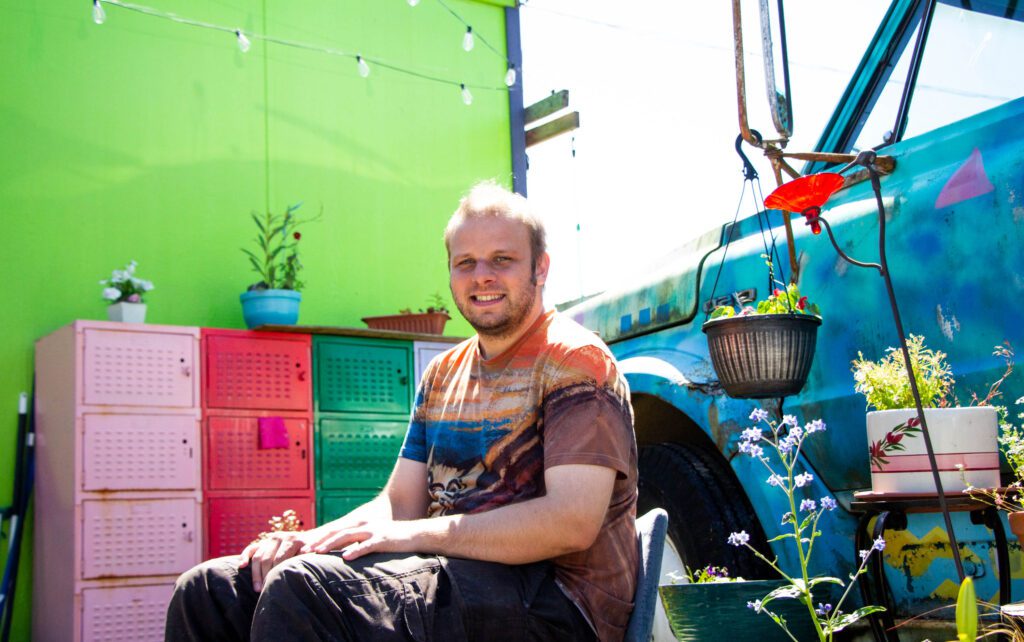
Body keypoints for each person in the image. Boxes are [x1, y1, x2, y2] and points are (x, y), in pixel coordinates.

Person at [165, 181, 638, 642]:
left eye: (503, 260)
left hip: (558, 605)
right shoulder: (443, 373)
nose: (482, 277)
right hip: (452, 575)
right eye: (465, 263)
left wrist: (415, 537)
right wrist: (307, 541)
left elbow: (571, 522)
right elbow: (398, 505)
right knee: (213, 590)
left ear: (541, 267)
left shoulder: (576, 362)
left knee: (306, 590)